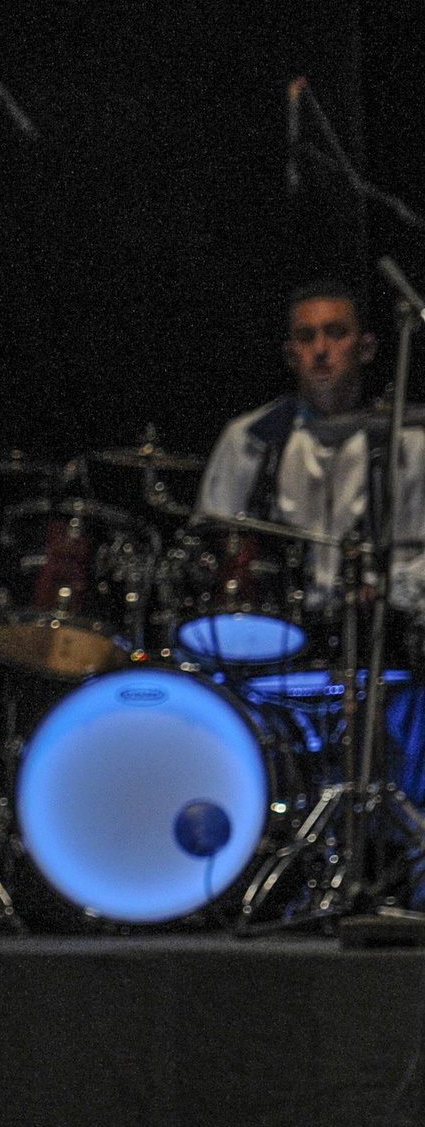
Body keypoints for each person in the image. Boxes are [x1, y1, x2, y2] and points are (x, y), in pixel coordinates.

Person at [197, 278, 425, 802]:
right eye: (306, 337)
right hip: (274, 651)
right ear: (290, 354)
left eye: (336, 333)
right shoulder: (250, 440)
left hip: (383, 646)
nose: (321, 349)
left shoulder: (411, 441)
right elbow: (211, 545)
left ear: (366, 347)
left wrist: (388, 590)